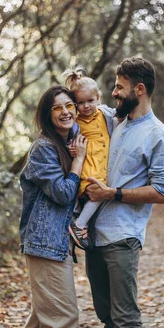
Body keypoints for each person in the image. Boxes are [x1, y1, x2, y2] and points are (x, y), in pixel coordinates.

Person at [84, 57, 164, 328]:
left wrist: (113, 193)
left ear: (139, 89)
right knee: (105, 313)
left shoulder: (158, 135)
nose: (114, 93)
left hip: (123, 237)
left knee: (125, 317)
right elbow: (84, 106)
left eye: (119, 88)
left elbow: (162, 191)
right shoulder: (116, 121)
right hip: (94, 235)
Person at [18, 84, 88, 328]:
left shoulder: (67, 142)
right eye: (57, 107)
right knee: (63, 318)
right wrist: (78, 162)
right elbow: (62, 193)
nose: (65, 112)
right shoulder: (44, 148)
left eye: (69, 105)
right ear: (47, 115)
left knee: (40, 320)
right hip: (44, 245)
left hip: (53, 244)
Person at [62, 67, 117, 250]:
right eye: (81, 103)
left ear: (98, 98)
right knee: (97, 192)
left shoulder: (106, 114)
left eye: (90, 101)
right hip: (89, 164)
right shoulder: (75, 122)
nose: (86, 106)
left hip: (104, 163)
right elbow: (69, 141)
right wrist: (71, 148)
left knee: (102, 193)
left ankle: (84, 224)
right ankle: (79, 224)